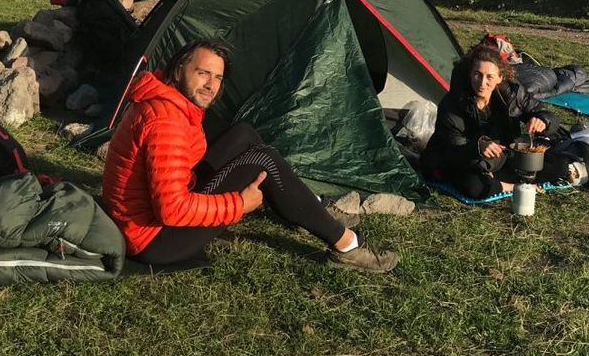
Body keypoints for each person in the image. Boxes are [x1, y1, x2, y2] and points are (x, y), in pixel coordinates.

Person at [101, 38, 398, 272]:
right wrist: (239, 203)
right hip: (155, 239)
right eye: (202, 73)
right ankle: (347, 246)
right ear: (179, 69)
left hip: (149, 217)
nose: (211, 85)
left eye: (217, 77)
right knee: (262, 159)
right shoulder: (167, 121)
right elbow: (171, 211)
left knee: (244, 134)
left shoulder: (168, 99)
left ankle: (309, 208)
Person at [421, 42, 570, 200]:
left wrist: (542, 120)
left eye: (489, 77)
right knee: (476, 186)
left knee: (559, 165)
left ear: (500, 77)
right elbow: (452, 149)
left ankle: (499, 181)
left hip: (503, 154)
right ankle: (515, 187)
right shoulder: (452, 104)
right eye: (477, 74)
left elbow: (540, 111)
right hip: (466, 159)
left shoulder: (512, 93)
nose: (482, 82)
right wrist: (478, 146)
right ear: (470, 74)